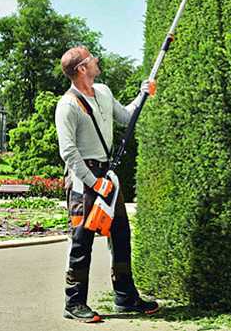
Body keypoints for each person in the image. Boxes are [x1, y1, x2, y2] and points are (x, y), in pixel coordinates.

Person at [55, 45, 159, 323]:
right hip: (83, 180)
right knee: (81, 242)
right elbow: (68, 152)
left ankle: (125, 298)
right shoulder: (67, 106)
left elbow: (126, 117)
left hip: (108, 175)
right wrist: (92, 182)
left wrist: (143, 94)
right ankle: (74, 302)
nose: (96, 60)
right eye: (91, 59)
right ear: (81, 69)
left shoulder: (103, 91)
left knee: (121, 236)